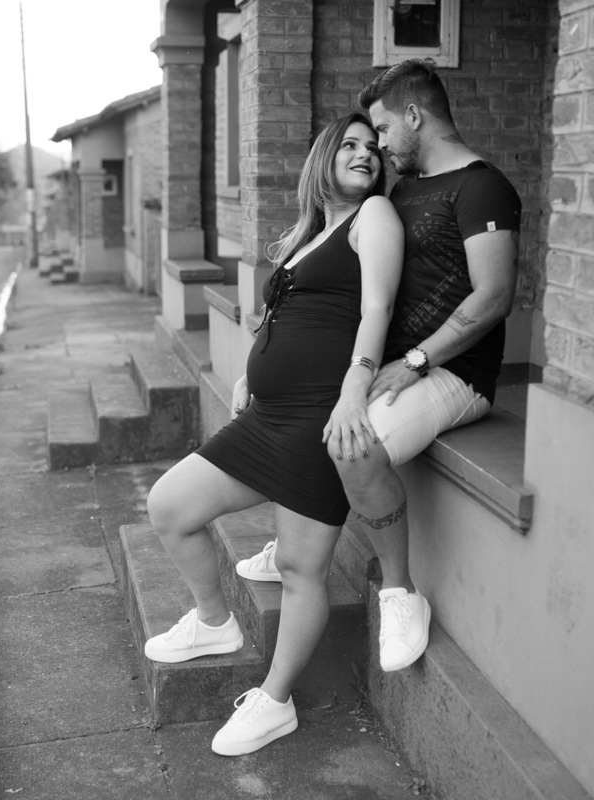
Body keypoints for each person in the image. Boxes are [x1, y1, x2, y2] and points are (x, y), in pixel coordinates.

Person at [236, 60, 522, 674]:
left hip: (457, 373)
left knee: (355, 446)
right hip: (398, 365)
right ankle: (295, 547)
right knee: (325, 415)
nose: (380, 146)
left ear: (414, 115)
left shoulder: (482, 188)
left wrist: (417, 360)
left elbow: (494, 295)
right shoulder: (402, 192)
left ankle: (399, 591)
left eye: (385, 130)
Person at [142, 112, 403, 756]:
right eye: (350, 144)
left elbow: (376, 309)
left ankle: (276, 700)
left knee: (298, 567)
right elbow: (281, 316)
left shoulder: (373, 217)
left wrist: (354, 388)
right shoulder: (311, 232)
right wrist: (249, 375)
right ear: (323, 158)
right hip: (267, 416)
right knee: (169, 506)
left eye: (373, 147)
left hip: (319, 416)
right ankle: (213, 621)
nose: (365, 153)